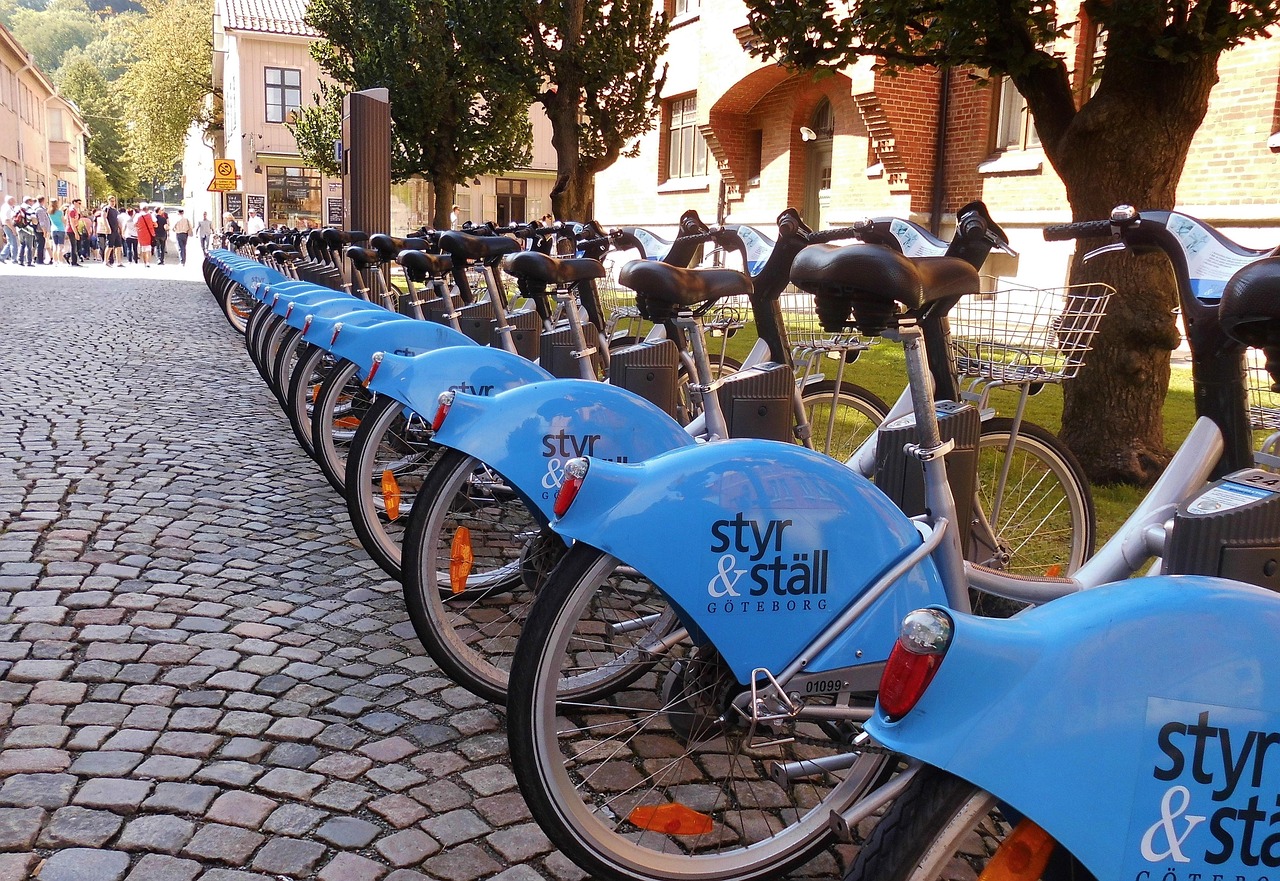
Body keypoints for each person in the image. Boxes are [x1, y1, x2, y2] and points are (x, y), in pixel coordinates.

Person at [15, 198, 36, 266]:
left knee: (22, 244)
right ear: (29, 201)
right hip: (28, 229)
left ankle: (20, 260)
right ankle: (28, 262)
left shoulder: (18, 208)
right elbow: (34, 220)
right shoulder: (30, 209)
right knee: (29, 246)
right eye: (31, 201)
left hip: (19, 228)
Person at [104, 195, 124, 267]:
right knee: (109, 246)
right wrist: (107, 227)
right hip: (110, 230)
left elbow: (117, 220)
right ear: (108, 201)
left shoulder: (115, 210)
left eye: (114, 201)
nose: (113, 202)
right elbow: (104, 218)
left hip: (116, 230)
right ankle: (106, 261)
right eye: (111, 201)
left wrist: (120, 229)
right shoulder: (106, 208)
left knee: (118, 246)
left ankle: (119, 262)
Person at [0, 195, 18, 263]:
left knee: (10, 242)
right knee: (13, 242)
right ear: (10, 201)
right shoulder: (7, 208)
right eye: (13, 200)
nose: (15, 202)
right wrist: (13, 229)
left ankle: (2, 256)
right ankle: (14, 258)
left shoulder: (5, 207)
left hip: (6, 225)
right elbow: (7, 220)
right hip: (9, 226)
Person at [64, 199, 81, 267]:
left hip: (74, 229)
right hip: (71, 230)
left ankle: (68, 256)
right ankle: (73, 261)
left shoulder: (74, 210)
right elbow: (71, 222)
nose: (79, 205)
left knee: (75, 245)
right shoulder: (72, 210)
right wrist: (76, 233)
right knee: (73, 246)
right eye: (79, 203)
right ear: (74, 203)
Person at [34, 196, 51, 265]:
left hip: (40, 229)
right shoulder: (40, 210)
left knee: (41, 244)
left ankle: (39, 259)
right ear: (43, 201)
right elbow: (42, 222)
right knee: (40, 244)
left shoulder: (39, 209)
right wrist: (44, 231)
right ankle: (39, 260)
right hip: (40, 230)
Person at [49, 199, 65, 263]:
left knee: (54, 246)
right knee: (60, 246)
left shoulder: (49, 212)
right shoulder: (60, 212)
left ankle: (55, 261)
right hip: (60, 229)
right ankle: (60, 260)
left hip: (53, 229)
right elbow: (63, 221)